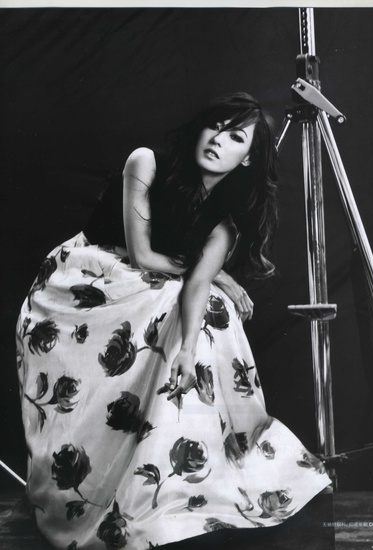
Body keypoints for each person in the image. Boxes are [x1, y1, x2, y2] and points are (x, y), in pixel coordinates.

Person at [16, 92, 331, 550]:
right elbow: (142, 255)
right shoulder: (145, 162)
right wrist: (213, 272)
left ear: (248, 159)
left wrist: (189, 341)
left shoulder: (224, 224)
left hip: (150, 284)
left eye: (236, 137)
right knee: (174, 299)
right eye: (216, 126)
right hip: (87, 278)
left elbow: (195, 285)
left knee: (209, 311)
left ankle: (179, 473)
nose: (219, 139)